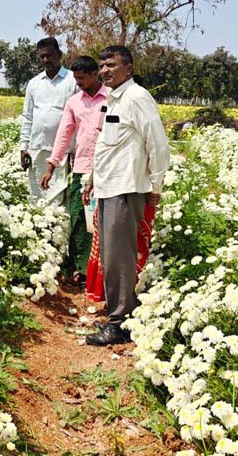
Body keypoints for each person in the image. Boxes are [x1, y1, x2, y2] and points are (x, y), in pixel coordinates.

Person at [84, 46, 170, 346]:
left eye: (112, 65)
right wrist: (92, 179)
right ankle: (116, 312)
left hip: (126, 189)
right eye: (103, 66)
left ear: (129, 69)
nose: (105, 70)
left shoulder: (137, 98)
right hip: (109, 188)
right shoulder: (114, 98)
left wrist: (155, 189)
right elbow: (107, 147)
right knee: (110, 257)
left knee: (119, 259)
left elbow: (158, 147)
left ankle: (120, 325)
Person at [39, 56, 109, 286]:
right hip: (82, 168)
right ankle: (82, 269)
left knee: (106, 220)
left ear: (95, 74)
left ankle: (104, 270)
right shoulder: (74, 102)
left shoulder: (112, 98)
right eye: (76, 78)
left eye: (82, 78)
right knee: (81, 218)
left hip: (110, 170)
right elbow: (63, 135)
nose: (78, 82)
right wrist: (51, 166)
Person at [20, 37, 77, 208]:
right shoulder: (34, 83)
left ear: (59, 55)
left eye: (50, 55)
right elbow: (27, 117)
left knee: (59, 197)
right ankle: (38, 233)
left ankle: (59, 233)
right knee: (37, 195)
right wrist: (23, 146)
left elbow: (80, 116)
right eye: (42, 56)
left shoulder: (72, 80)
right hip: (37, 147)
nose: (46, 60)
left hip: (63, 150)